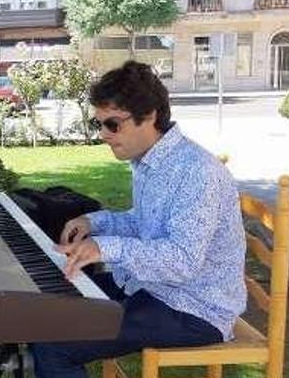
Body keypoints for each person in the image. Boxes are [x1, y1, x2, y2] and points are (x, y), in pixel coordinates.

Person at [29, 61, 246, 378]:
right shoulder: (149, 160)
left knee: (55, 345)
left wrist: (104, 248)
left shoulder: (197, 172)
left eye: (113, 124)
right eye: (99, 124)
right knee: (44, 302)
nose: (103, 135)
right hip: (150, 288)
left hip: (194, 308)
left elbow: (183, 260)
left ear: (149, 116)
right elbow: (146, 223)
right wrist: (94, 222)